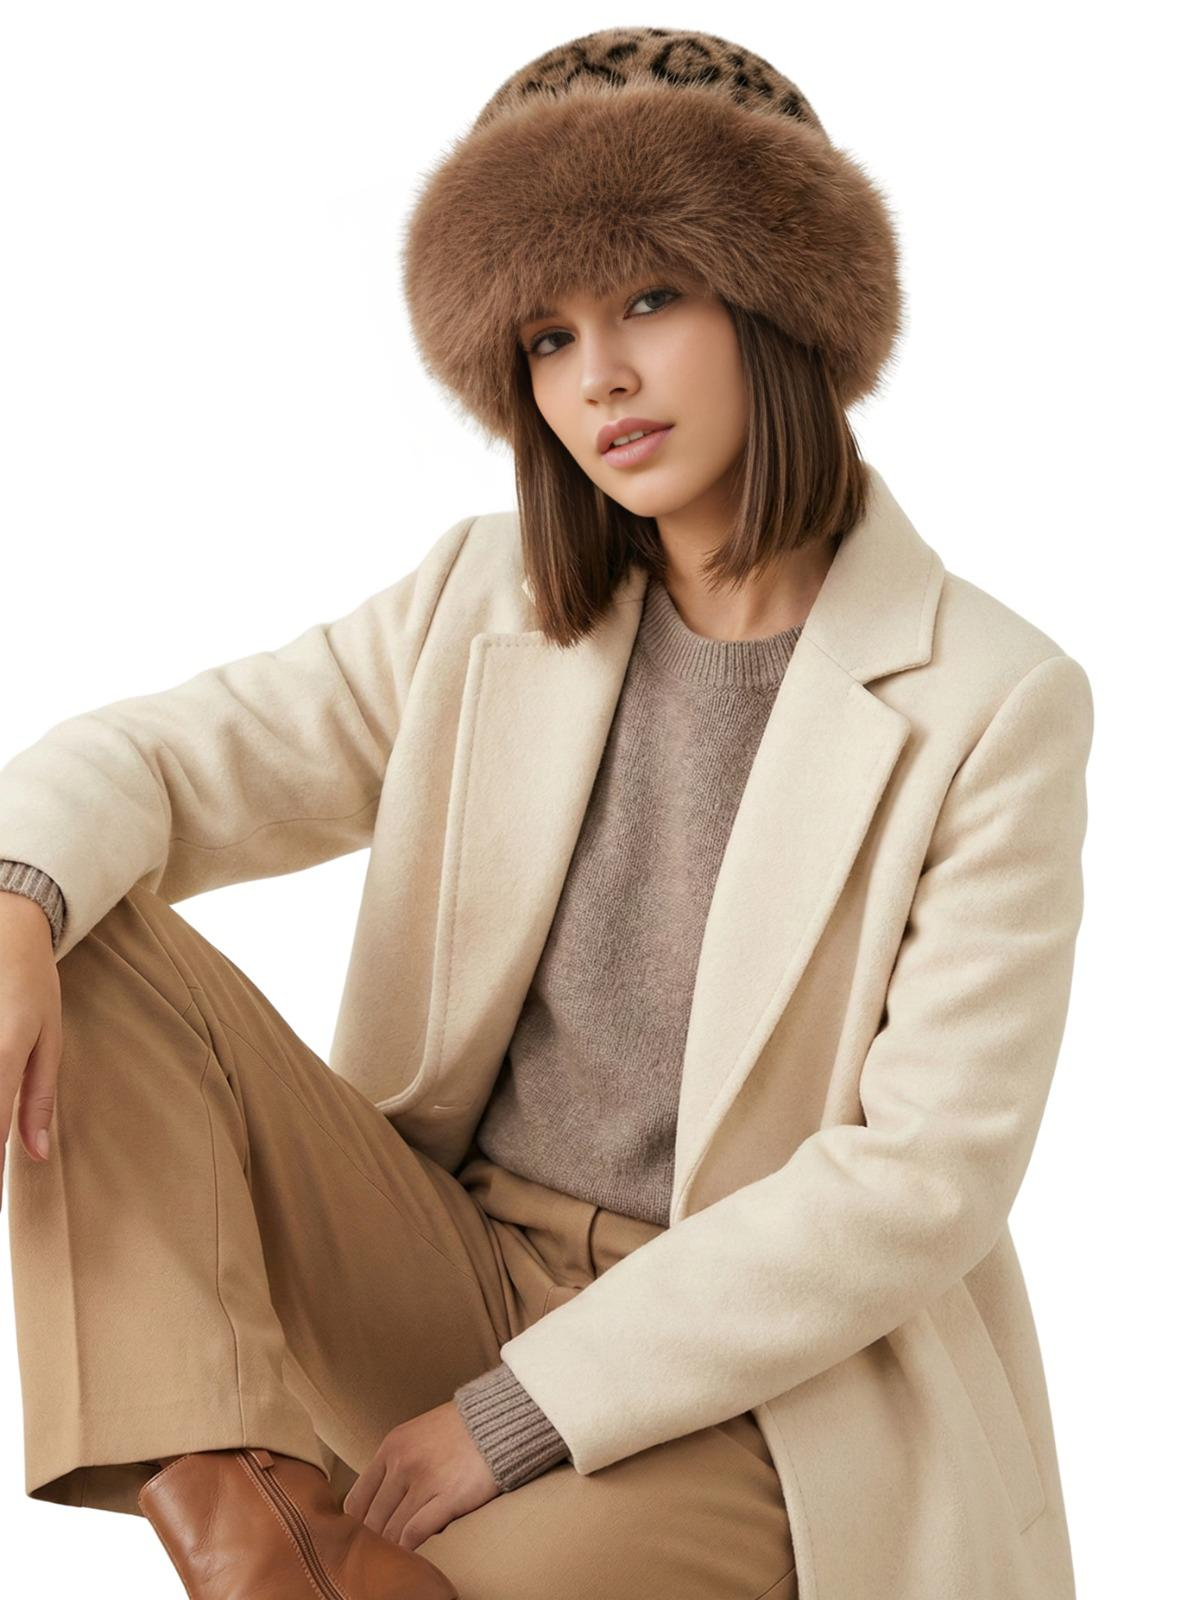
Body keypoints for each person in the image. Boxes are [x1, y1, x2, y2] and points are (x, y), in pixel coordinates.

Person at [0, 26, 1092, 1600]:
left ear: (780, 297)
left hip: (754, 1385)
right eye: (548, 336)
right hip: (449, 1261)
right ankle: (246, 1514)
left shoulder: (991, 696)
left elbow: (921, 1179)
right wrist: (18, 898)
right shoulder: (486, 597)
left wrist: (507, 1422)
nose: (603, 380)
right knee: (78, 916)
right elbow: (173, 762)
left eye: (651, 298)